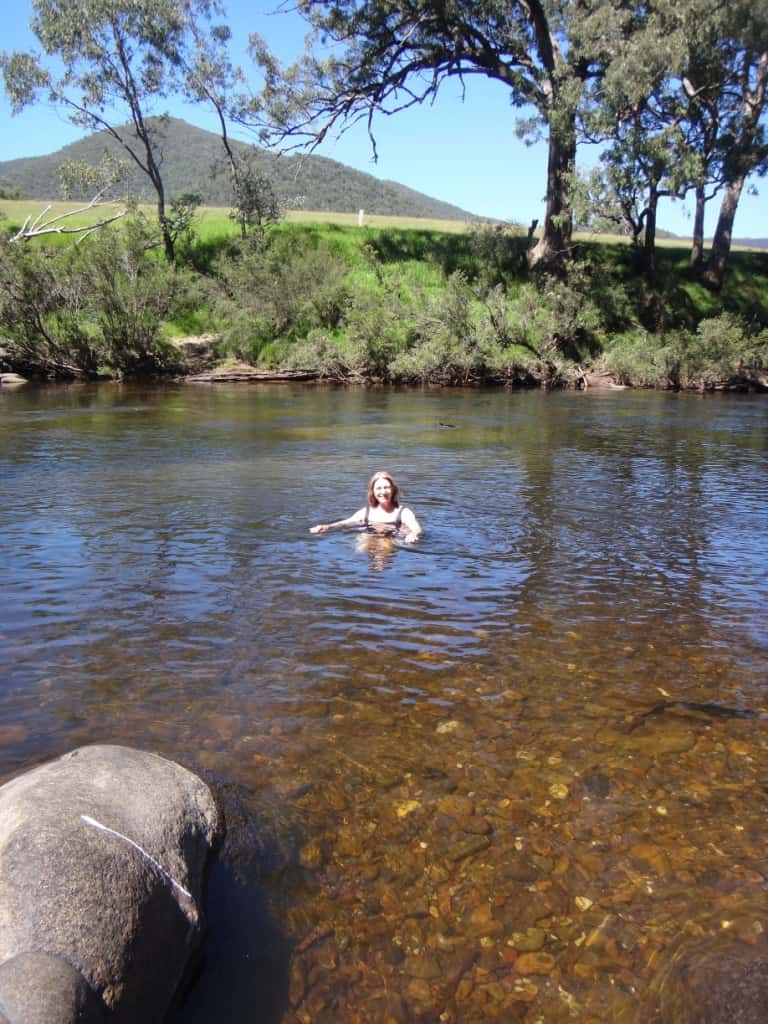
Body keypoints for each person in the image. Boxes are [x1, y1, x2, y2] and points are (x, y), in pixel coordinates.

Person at [310, 471, 422, 544]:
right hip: (369, 537)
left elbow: (416, 528)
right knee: (361, 544)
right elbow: (346, 523)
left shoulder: (403, 512)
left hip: (392, 539)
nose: (383, 492)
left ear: (393, 490)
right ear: (373, 491)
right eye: (378, 488)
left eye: (386, 487)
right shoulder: (366, 512)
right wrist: (327, 526)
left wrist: (413, 534)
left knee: (384, 545)